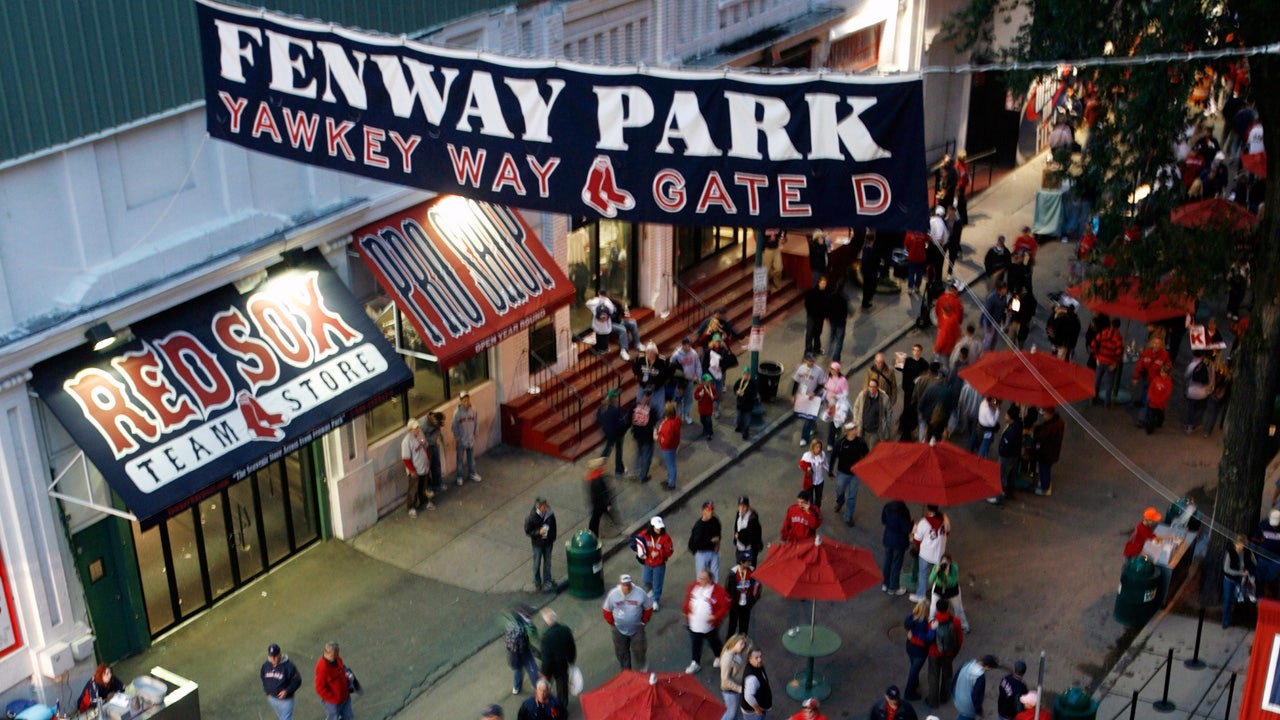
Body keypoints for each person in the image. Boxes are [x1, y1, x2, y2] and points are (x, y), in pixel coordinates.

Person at [683, 569, 732, 674]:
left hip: (709, 626)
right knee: (696, 643)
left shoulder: (718, 591)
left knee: (714, 642)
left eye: (703, 579)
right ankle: (695, 662)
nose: (699, 580)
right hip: (694, 625)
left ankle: (719, 656)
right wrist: (686, 612)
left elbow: (725, 605)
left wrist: (715, 616)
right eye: (699, 578)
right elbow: (688, 600)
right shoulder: (694, 587)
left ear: (709, 580)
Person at [602, 574, 653, 670]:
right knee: (621, 651)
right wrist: (612, 623)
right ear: (621, 585)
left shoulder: (640, 593)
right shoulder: (613, 594)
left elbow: (648, 607)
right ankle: (626, 671)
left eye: (628, 585)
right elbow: (606, 610)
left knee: (639, 649)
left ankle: (642, 664)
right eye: (625, 585)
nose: (627, 587)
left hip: (637, 627)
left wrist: (643, 621)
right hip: (618, 629)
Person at [926, 598, 964, 708]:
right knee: (947, 675)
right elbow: (959, 639)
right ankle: (944, 696)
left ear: (937, 609)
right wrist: (954, 652)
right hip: (948, 653)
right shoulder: (955, 621)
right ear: (947, 608)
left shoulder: (932, 622)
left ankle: (933, 700)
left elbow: (928, 639)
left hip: (934, 653)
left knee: (933, 676)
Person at [831, 422, 869, 526]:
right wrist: (830, 470)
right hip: (842, 473)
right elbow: (833, 456)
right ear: (847, 432)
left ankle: (848, 516)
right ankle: (840, 501)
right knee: (840, 489)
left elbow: (866, 455)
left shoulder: (861, 442)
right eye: (852, 429)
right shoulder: (841, 443)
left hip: (855, 474)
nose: (855, 431)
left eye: (855, 429)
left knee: (852, 496)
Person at [911, 505, 950, 602]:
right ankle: (939, 594)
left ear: (928, 508)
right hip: (939, 552)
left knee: (923, 574)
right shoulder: (944, 518)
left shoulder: (924, 522)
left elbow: (917, 539)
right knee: (939, 574)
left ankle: (921, 595)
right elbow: (948, 532)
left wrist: (917, 548)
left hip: (925, 553)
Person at [637, 516, 675, 610]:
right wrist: (637, 549)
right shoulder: (645, 535)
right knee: (645, 579)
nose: (659, 529)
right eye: (657, 528)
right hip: (648, 562)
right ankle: (651, 591)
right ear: (652, 527)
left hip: (659, 564)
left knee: (658, 583)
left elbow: (669, 551)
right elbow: (638, 540)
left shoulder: (665, 537)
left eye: (660, 528)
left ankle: (655, 600)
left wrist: (659, 552)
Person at [539, 609, 576, 706]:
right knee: (562, 686)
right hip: (562, 664)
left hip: (551, 666)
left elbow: (546, 659)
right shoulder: (565, 630)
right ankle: (562, 706)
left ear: (546, 622)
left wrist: (544, 673)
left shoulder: (546, 638)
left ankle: (546, 704)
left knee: (545, 687)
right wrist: (571, 660)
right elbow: (571, 647)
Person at [401, 419, 435, 516]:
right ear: (410, 429)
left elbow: (426, 447)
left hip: (424, 467)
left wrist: (428, 460)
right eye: (416, 428)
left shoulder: (420, 435)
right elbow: (406, 458)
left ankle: (424, 502)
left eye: (418, 427)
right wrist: (412, 471)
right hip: (415, 470)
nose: (418, 429)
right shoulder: (406, 441)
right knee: (413, 489)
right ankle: (411, 507)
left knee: (423, 487)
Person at [505, 604, 541, 695]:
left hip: (514, 654)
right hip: (524, 652)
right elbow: (533, 637)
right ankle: (538, 687)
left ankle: (516, 688)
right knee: (533, 669)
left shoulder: (513, 622)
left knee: (518, 670)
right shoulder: (526, 626)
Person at [928, 553, 969, 632]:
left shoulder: (954, 568)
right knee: (933, 607)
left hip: (952, 589)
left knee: (958, 609)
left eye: (946, 563)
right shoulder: (937, 566)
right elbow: (930, 580)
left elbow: (953, 582)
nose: (944, 565)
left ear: (950, 563)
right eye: (942, 563)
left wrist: (947, 574)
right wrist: (935, 572)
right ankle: (931, 625)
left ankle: (964, 626)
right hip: (939, 588)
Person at [524, 498, 558, 592]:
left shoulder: (549, 514)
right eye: (544, 507)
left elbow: (553, 526)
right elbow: (528, 531)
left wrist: (552, 538)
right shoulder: (532, 517)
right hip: (538, 544)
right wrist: (538, 532)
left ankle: (547, 580)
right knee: (537, 563)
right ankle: (537, 582)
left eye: (546, 506)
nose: (546, 508)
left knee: (548, 562)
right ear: (539, 507)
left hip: (548, 542)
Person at [261, 643, 303, 720]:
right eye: (270, 656)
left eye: (275, 656)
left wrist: (287, 691)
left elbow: (297, 681)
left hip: (286, 700)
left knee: (285, 718)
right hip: (272, 698)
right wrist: (267, 691)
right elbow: (263, 678)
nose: (272, 659)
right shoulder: (266, 665)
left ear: (279, 654)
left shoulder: (289, 666)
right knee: (282, 717)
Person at [792, 353, 826, 446]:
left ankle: (804, 438)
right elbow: (796, 381)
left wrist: (814, 392)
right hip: (803, 395)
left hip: (814, 397)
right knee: (808, 416)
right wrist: (793, 394)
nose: (811, 362)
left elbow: (822, 384)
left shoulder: (818, 371)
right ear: (805, 360)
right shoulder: (801, 368)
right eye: (809, 360)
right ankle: (813, 427)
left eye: (812, 361)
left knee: (808, 418)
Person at [902, 602, 934, 702]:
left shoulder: (910, 617)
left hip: (910, 647)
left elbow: (907, 626)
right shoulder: (924, 624)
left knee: (913, 666)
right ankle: (909, 692)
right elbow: (926, 639)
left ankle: (915, 683)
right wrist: (933, 630)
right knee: (914, 670)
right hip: (920, 651)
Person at [1223, 534, 1256, 627]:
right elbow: (1226, 569)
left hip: (1240, 580)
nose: (1239, 547)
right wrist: (1240, 573)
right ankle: (1226, 621)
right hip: (1229, 579)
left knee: (1236, 599)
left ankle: (1233, 618)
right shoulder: (1230, 552)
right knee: (1227, 600)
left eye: (1241, 545)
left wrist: (1248, 571)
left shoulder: (1248, 553)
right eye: (1238, 544)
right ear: (1235, 544)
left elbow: (1253, 564)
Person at [1089, 317, 1123, 406]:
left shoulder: (1103, 332)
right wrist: (1115, 363)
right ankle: (1107, 403)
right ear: (1118, 327)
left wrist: (1096, 356)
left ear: (1111, 324)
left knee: (1097, 381)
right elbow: (1118, 352)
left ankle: (1093, 399)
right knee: (1109, 384)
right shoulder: (1118, 337)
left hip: (1100, 360)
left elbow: (1093, 344)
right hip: (1110, 363)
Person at [314, 642, 353, 720]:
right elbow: (319, 688)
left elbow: (343, 668)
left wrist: (348, 674)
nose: (339, 654)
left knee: (349, 717)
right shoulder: (322, 668)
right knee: (333, 717)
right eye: (337, 652)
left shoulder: (337, 659)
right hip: (333, 702)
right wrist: (333, 698)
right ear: (330, 653)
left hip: (345, 696)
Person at [600, 288, 641, 361]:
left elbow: (621, 313)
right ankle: (623, 350)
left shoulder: (616, 303)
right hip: (608, 325)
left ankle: (637, 344)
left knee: (633, 322)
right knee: (622, 330)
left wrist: (624, 312)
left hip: (618, 321)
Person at [898, 344, 929, 441]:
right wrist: (899, 358)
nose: (916, 352)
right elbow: (898, 367)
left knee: (915, 411)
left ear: (920, 352)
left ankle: (912, 428)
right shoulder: (908, 361)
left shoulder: (924, 363)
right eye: (914, 350)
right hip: (908, 390)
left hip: (918, 392)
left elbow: (926, 376)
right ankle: (906, 428)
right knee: (907, 408)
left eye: (918, 350)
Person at [634, 342, 672, 419]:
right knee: (639, 403)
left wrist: (661, 383)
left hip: (657, 388)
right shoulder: (640, 358)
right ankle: (642, 420)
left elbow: (668, 373)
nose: (650, 355)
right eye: (648, 352)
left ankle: (659, 423)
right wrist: (639, 378)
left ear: (656, 353)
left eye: (652, 353)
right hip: (643, 386)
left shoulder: (662, 361)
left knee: (658, 408)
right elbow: (635, 369)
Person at [720, 634, 754, 720]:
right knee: (730, 714)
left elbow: (743, 659)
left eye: (744, 644)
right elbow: (725, 681)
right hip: (730, 691)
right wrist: (740, 689)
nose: (743, 646)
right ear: (733, 643)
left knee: (733, 712)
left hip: (736, 688)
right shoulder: (727, 658)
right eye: (741, 644)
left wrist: (747, 646)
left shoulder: (736, 653)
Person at [882, 500, 913, 595]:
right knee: (896, 563)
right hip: (899, 541)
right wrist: (911, 522)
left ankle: (885, 583)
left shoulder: (887, 507)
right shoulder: (903, 511)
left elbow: (883, 521)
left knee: (888, 561)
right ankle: (893, 587)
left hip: (888, 538)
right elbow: (907, 528)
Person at [851, 378, 893, 449]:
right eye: (870, 387)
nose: (872, 389)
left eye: (874, 387)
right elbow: (856, 407)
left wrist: (886, 425)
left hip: (875, 432)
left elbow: (889, 412)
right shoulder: (863, 395)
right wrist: (856, 420)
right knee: (863, 449)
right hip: (863, 430)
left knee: (871, 450)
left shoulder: (884, 398)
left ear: (877, 388)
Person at [954, 655, 998, 720]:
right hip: (968, 706)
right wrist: (978, 709)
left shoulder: (968, 665)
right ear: (987, 667)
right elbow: (977, 696)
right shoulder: (980, 677)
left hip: (959, 697)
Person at [596, 388, 629, 476]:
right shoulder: (615, 410)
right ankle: (618, 470)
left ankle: (598, 467)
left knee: (607, 449)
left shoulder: (602, 409)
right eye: (615, 397)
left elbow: (598, 418)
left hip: (608, 433)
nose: (617, 398)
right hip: (617, 433)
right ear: (613, 399)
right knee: (618, 450)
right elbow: (620, 423)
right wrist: (625, 422)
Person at [1032, 407, 1064, 496]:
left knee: (1044, 469)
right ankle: (1044, 484)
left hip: (1047, 453)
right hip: (1051, 452)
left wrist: (1036, 431)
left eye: (1045, 414)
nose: (1043, 416)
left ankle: (1044, 488)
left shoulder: (1051, 427)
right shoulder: (1058, 423)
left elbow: (1043, 437)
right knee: (1046, 469)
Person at [993, 406, 1022, 502]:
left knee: (1001, 477)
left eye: (1007, 414)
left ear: (1010, 416)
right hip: (1013, 455)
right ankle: (1009, 493)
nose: (1005, 415)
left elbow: (1006, 444)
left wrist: (1001, 450)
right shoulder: (1017, 425)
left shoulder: (1011, 431)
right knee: (1009, 475)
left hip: (1006, 456)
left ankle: (999, 498)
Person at [671, 337, 703, 424]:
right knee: (679, 400)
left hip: (690, 381)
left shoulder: (693, 353)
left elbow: (698, 366)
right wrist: (674, 382)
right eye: (686, 345)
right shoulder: (676, 355)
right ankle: (678, 417)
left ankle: (687, 415)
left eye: (689, 345)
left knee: (688, 399)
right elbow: (671, 368)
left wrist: (699, 377)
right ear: (683, 345)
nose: (688, 347)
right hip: (680, 383)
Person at [724, 562, 762, 637]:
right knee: (732, 627)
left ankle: (743, 643)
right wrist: (731, 602)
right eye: (747, 562)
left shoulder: (752, 573)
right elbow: (727, 589)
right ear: (741, 562)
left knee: (744, 628)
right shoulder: (733, 574)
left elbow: (757, 587)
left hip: (746, 605)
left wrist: (752, 600)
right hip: (734, 605)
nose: (749, 563)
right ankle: (729, 644)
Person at [689, 501, 723, 581]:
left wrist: (717, 544)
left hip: (713, 551)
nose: (710, 512)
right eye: (708, 510)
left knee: (715, 577)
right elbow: (696, 544)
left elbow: (718, 534)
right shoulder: (699, 526)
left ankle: (713, 592)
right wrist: (710, 541)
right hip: (701, 554)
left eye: (711, 510)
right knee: (701, 578)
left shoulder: (715, 521)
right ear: (703, 511)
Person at [453, 390, 481, 485]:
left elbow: (476, 422)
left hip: (470, 439)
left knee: (471, 458)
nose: (466, 402)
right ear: (461, 401)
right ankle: (459, 477)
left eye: (467, 400)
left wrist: (475, 433)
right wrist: (458, 439)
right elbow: (454, 427)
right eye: (464, 400)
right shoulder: (457, 414)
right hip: (461, 441)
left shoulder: (473, 409)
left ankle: (472, 473)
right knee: (460, 460)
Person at [584, 457, 616, 538]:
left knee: (596, 518)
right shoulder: (598, 479)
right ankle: (593, 534)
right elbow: (603, 493)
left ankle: (594, 533)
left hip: (597, 503)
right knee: (596, 518)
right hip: (600, 504)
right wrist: (608, 503)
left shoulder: (593, 477)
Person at [1184, 351, 1216, 434]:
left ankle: (1188, 425)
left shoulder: (1192, 365)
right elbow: (1212, 380)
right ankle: (1195, 423)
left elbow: (1186, 376)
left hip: (1191, 392)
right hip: (1203, 393)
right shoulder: (1210, 366)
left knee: (1189, 409)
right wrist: (1209, 390)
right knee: (1200, 409)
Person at [631, 388, 657, 483]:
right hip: (647, 437)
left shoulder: (634, 406)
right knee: (647, 456)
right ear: (649, 397)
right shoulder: (651, 411)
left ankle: (634, 471)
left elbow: (631, 418)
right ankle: (643, 476)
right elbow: (654, 422)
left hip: (637, 435)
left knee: (638, 454)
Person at [933, 282, 964, 360]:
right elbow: (959, 319)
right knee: (949, 345)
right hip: (952, 327)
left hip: (941, 324)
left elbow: (936, 311)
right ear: (955, 291)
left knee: (940, 341)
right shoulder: (957, 302)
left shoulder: (941, 298)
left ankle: (937, 358)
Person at [740, 648, 772, 720]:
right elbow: (748, 696)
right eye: (756, 658)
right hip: (753, 713)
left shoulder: (756, 666)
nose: (760, 659)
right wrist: (757, 709)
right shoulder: (752, 678)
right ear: (750, 659)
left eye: (760, 657)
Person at [657, 401, 682, 490]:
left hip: (668, 448)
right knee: (670, 464)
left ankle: (671, 483)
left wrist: (658, 438)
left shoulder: (668, 425)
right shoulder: (676, 420)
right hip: (673, 446)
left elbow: (666, 440)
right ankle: (669, 479)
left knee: (670, 465)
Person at [733, 495, 764, 566]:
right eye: (740, 506)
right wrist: (736, 537)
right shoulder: (738, 514)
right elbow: (736, 526)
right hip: (739, 548)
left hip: (749, 549)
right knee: (740, 571)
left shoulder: (752, 519)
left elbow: (752, 535)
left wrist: (739, 536)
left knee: (749, 571)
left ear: (748, 506)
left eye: (744, 506)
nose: (742, 508)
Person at [798, 439, 828, 508]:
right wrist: (807, 468)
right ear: (813, 447)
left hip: (820, 481)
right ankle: (811, 513)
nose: (818, 449)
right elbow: (800, 465)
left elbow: (826, 464)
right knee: (810, 499)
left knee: (818, 499)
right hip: (810, 482)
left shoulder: (822, 454)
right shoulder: (807, 455)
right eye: (816, 447)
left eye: (820, 447)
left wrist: (829, 471)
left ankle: (817, 511)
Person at [980, 284, 1008, 352]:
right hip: (990, 321)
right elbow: (987, 312)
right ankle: (984, 354)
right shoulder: (991, 298)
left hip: (997, 320)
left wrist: (1003, 320)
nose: (1005, 291)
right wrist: (988, 325)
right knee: (988, 339)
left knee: (995, 339)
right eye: (1004, 289)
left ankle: (991, 352)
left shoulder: (1004, 297)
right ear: (999, 290)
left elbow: (1004, 308)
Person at [733, 369, 758, 440]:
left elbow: (754, 394)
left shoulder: (752, 383)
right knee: (738, 418)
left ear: (749, 375)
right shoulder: (739, 381)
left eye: (747, 374)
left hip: (748, 406)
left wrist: (744, 394)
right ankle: (739, 426)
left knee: (747, 420)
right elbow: (735, 388)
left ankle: (745, 433)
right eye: (744, 374)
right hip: (740, 404)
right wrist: (736, 392)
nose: (745, 376)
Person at [694, 374, 719, 440]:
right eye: (708, 382)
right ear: (704, 382)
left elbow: (716, 395)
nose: (709, 383)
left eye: (710, 382)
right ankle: (705, 429)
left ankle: (709, 432)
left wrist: (714, 397)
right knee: (702, 420)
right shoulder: (700, 388)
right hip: (702, 409)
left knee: (708, 421)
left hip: (708, 409)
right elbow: (695, 396)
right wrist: (699, 394)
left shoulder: (712, 388)